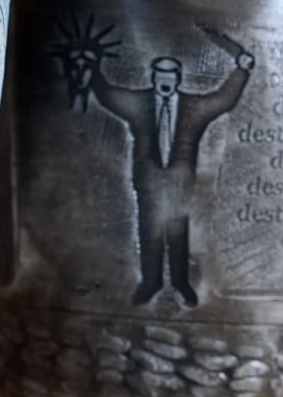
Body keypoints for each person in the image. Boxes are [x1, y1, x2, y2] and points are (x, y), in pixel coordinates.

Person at [84, 29, 255, 305]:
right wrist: (93, 69)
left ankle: (180, 283)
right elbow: (108, 96)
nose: (165, 82)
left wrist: (241, 71)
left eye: (170, 78)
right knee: (149, 232)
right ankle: (150, 283)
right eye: (160, 78)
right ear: (153, 78)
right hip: (149, 182)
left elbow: (224, 100)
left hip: (179, 184)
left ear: (178, 79)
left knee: (177, 233)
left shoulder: (194, 107)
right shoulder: (138, 103)